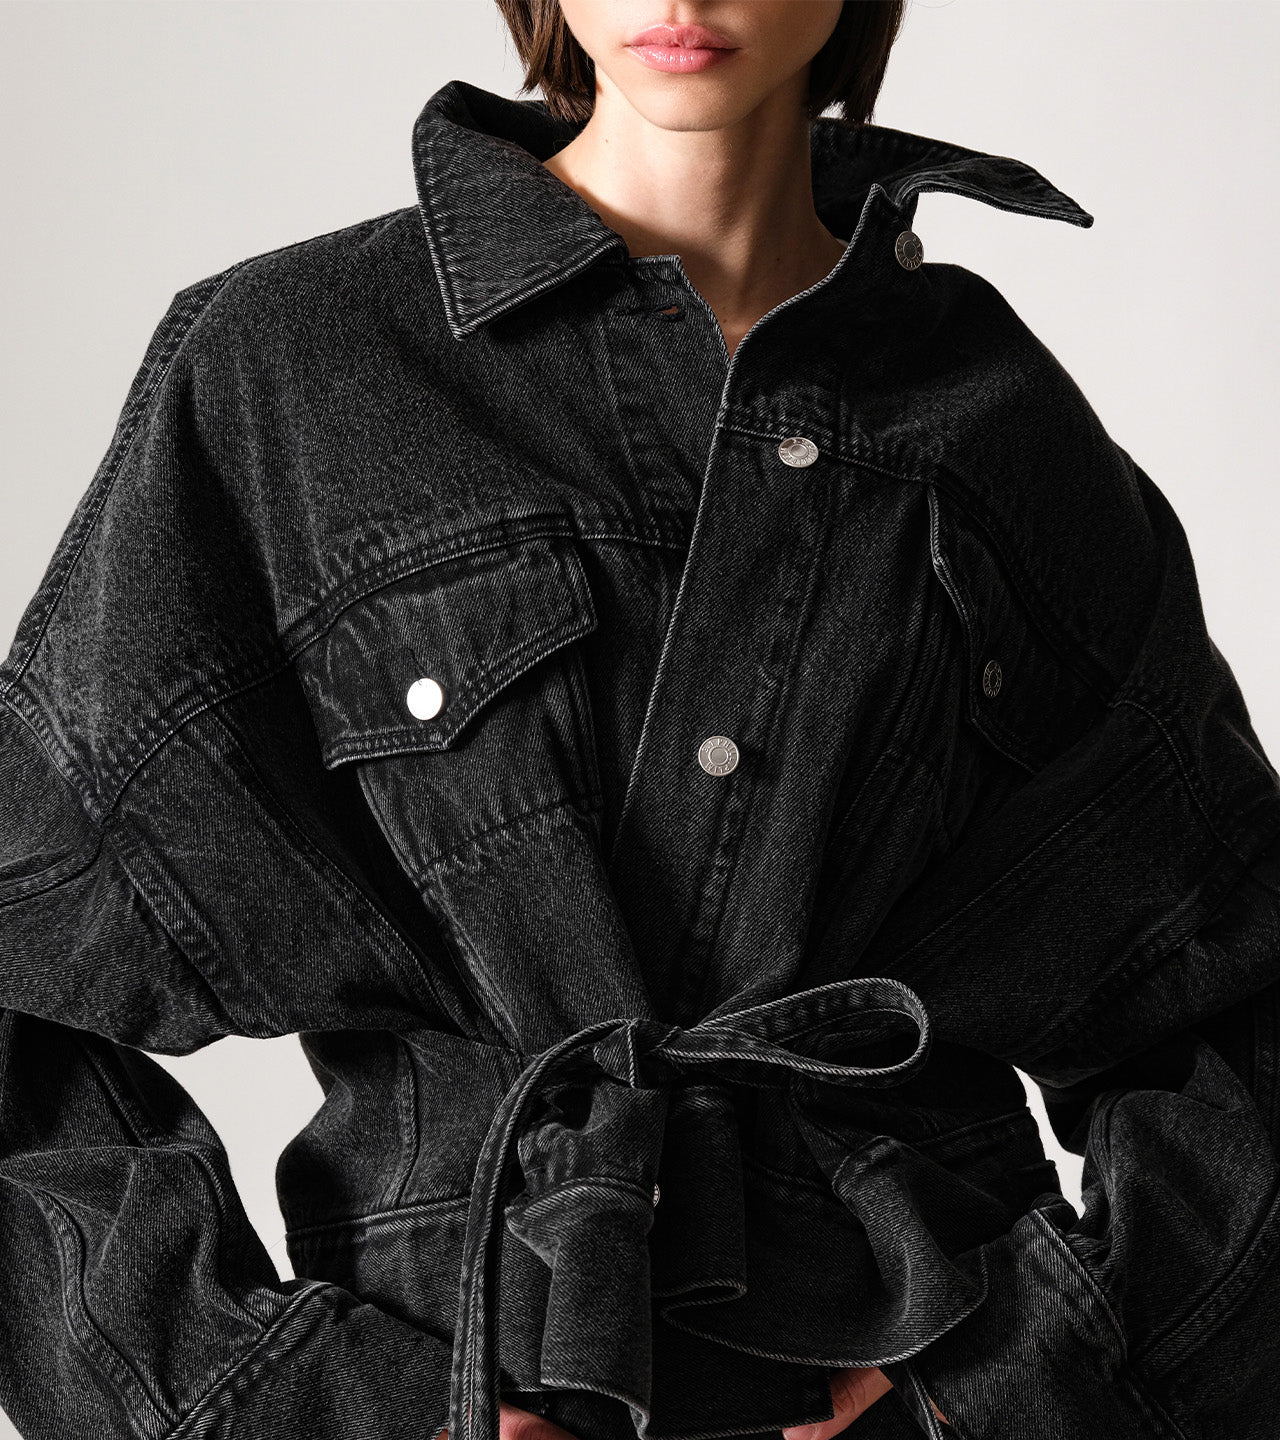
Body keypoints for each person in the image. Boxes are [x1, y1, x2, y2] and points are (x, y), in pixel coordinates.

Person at [3, 4, 1278, 1440]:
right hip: (457, 1355)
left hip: (910, 1341)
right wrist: (310, 1406)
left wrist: (1015, 1382)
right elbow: (27, 974)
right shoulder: (288, 367)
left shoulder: (996, 420)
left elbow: (1233, 993)